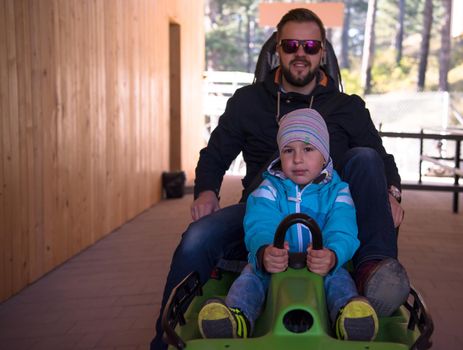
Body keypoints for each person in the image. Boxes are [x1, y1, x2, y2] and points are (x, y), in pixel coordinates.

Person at [151, 8, 409, 350]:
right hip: (263, 205)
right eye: (290, 45)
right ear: (277, 48)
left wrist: (389, 192)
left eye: (310, 45)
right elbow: (214, 154)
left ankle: (372, 273)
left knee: (364, 157)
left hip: (330, 205)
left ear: (323, 51)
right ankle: (164, 341)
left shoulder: (347, 106)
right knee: (197, 237)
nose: (300, 53)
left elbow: (380, 156)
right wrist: (206, 192)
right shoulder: (248, 101)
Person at [197, 108, 379, 341]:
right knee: (251, 277)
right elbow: (259, 224)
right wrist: (264, 251)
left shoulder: (338, 191)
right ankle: (238, 317)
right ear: (280, 155)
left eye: (308, 149)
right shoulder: (268, 189)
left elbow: (343, 228)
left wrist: (333, 254)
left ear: (324, 155)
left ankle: (348, 317)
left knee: (340, 279)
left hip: (321, 263)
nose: (298, 159)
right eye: (288, 150)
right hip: (276, 263)